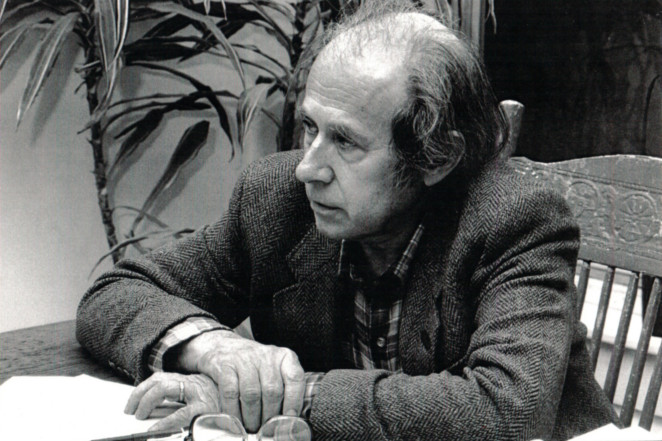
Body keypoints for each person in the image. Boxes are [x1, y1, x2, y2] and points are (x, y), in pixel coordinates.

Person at [76, 1, 620, 439]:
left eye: (345, 141)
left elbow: (507, 412)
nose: (309, 168)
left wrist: (280, 397)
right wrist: (216, 349)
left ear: (436, 157)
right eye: (311, 127)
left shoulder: (516, 221)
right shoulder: (276, 199)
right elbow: (116, 293)